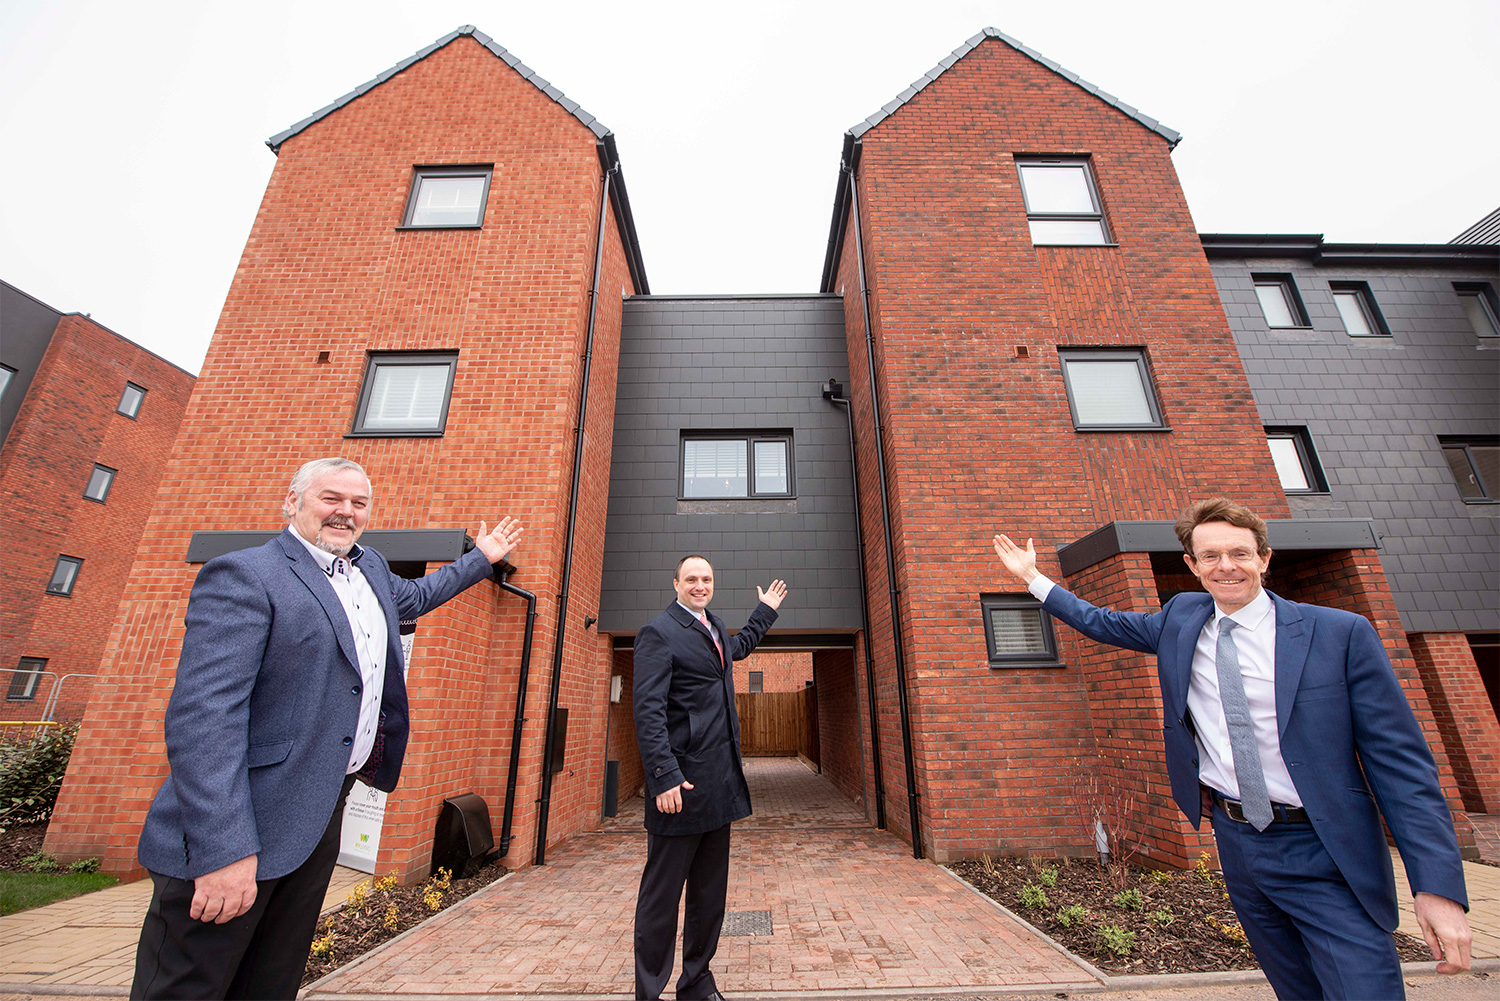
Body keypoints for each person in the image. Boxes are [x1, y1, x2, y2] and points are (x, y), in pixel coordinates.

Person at [992, 497, 1470, 1000]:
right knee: (1297, 990)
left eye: (1240, 553)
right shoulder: (1181, 620)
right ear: (1192, 567)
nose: (1227, 567)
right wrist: (1033, 578)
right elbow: (1103, 622)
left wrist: (1436, 888)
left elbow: (1403, 768)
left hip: (1326, 848)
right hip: (1239, 843)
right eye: (1211, 556)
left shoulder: (1338, 633)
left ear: (1264, 558)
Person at [131, 457, 522, 1000]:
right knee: (191, 988)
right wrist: (223, 849)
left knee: (271, 983)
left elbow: (420, 597)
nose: (346, 512)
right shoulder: (245, 575)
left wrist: (481, 559)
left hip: (319, 816)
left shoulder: (372, 571)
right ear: (292, 503)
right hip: (244, 821)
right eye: (331, 499)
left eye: (359, 503)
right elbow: (204, 721)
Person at [631, 556, 787, 1001]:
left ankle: (697, 983)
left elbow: (736, 652)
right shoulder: (658, 633)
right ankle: (649, 991)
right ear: (676, 583)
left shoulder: (714, 627)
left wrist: (765, 613)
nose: (700, 586)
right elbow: (648, 713)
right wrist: (662, 777)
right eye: (692, 579)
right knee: (662, 901)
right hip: (678, 789)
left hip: (718, 786)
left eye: (707, 580)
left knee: (708, 898)